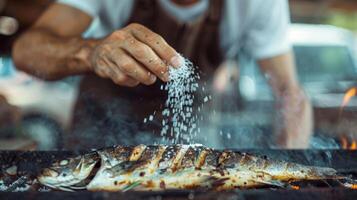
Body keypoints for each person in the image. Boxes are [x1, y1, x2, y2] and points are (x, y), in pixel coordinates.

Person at [12, 0, 312, 149]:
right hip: (100, 142)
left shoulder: (259, 3)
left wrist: (291, 166)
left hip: (194, 142)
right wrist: (90, 52)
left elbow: (289, 92)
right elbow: (27, 51)